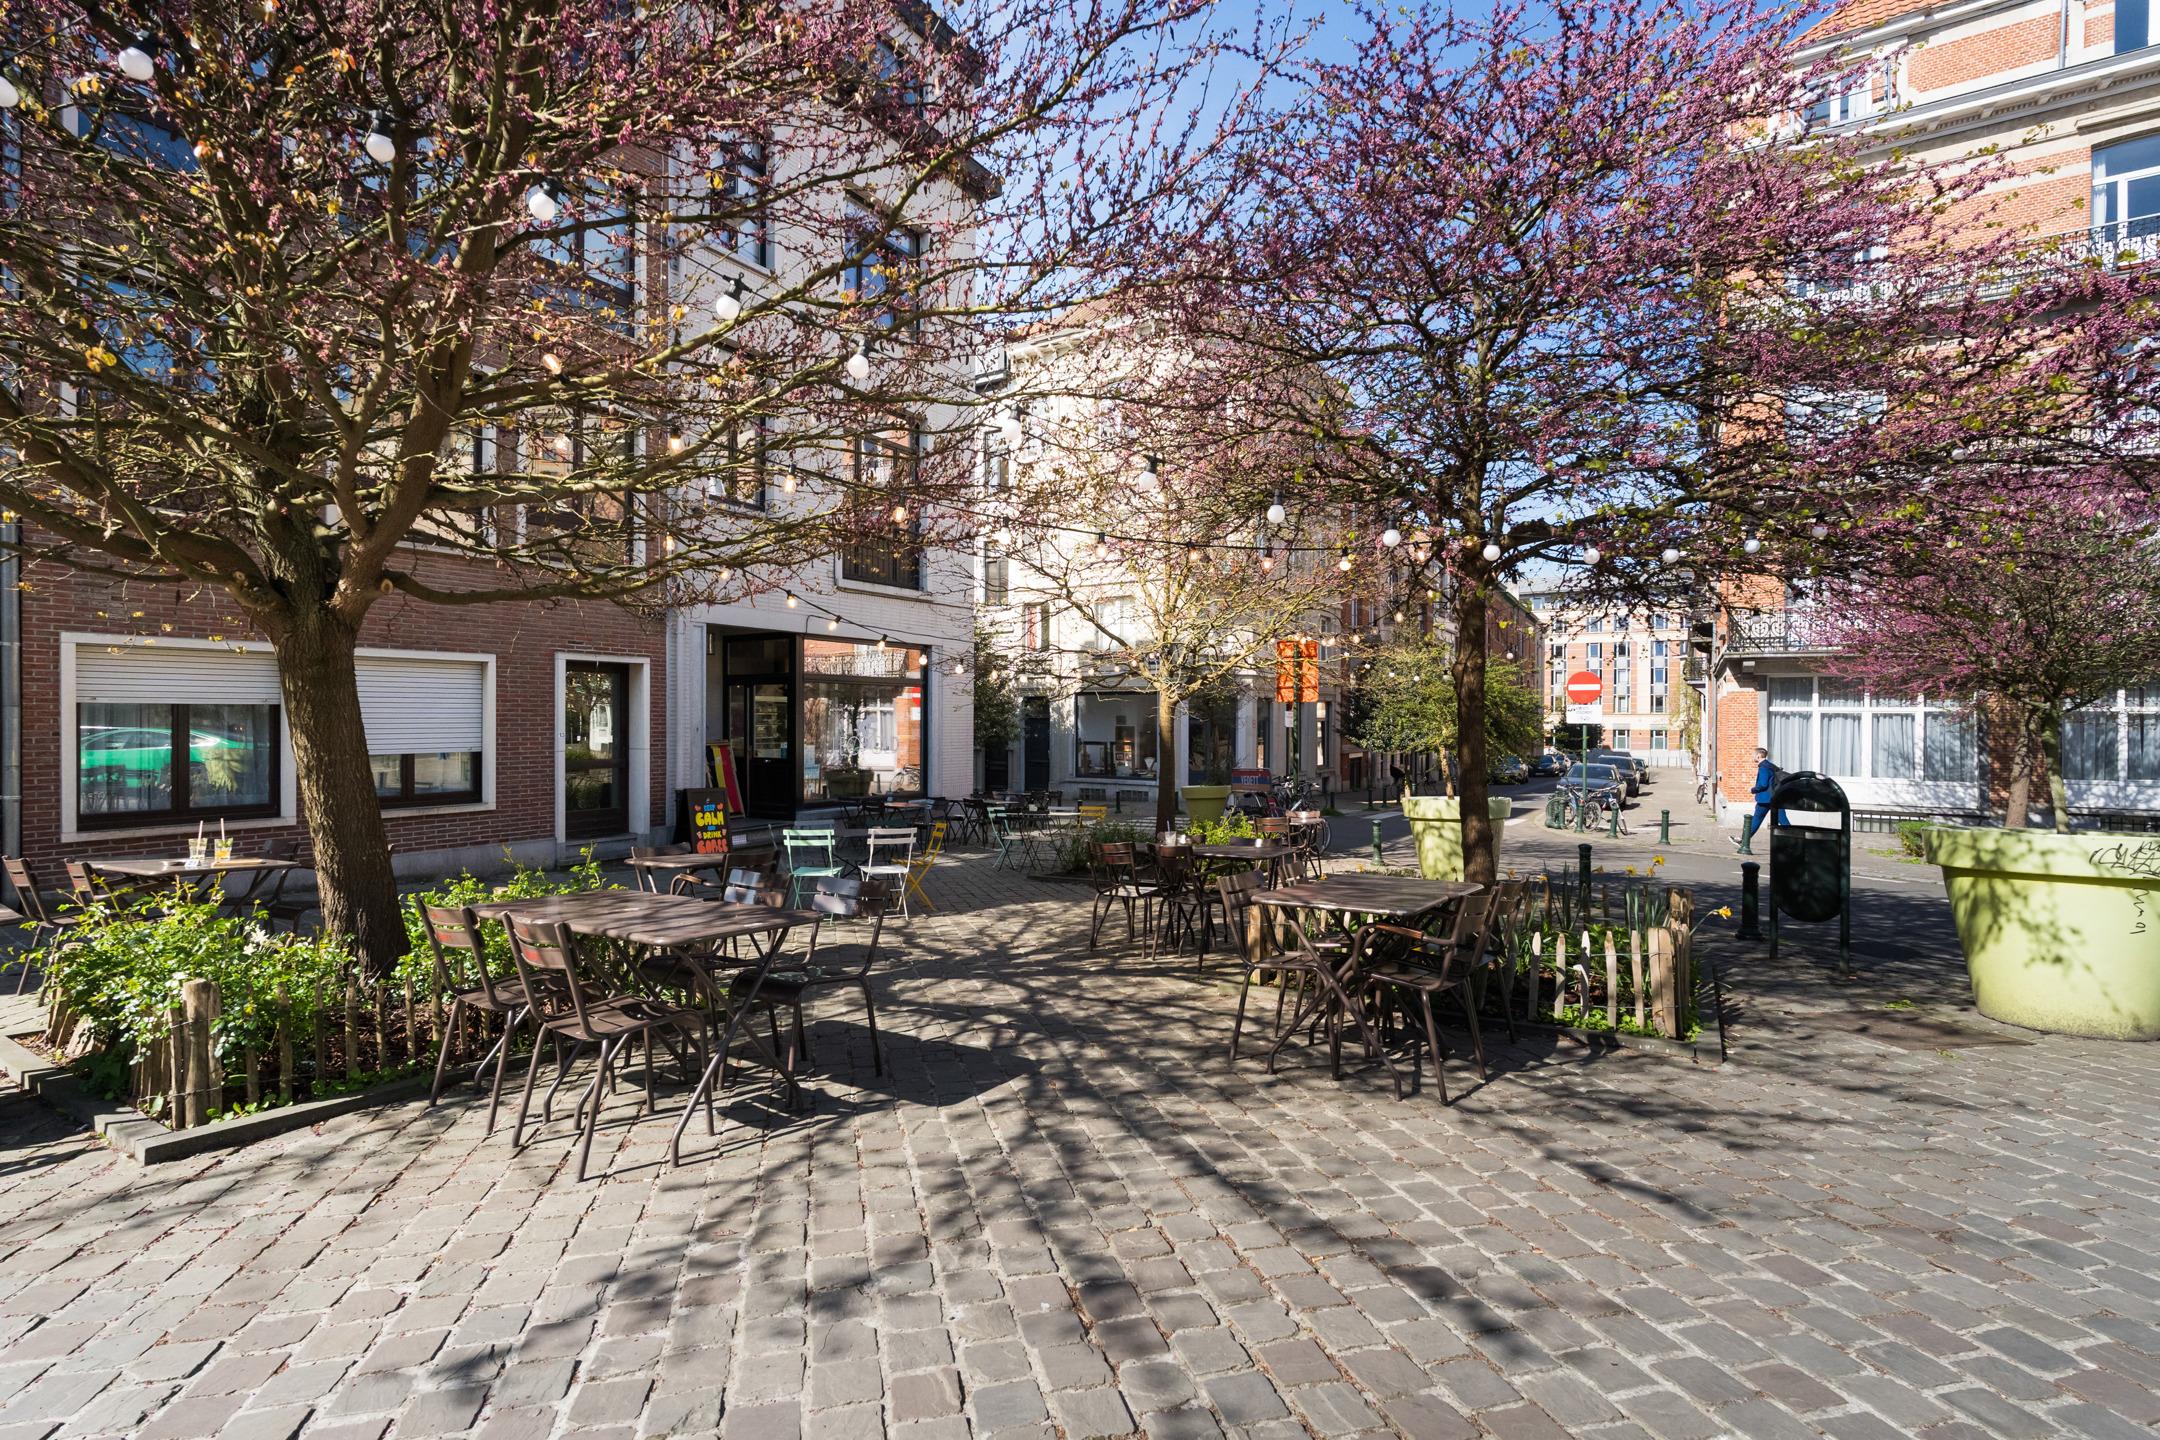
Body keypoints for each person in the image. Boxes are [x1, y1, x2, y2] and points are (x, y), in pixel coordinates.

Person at [1736, 747, 1785, 851]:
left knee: (1756, 819)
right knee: (1783, 820)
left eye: (1753, 755)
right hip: (1776, 797)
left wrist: (1753, 789)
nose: (1753, 757)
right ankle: (1796, 841)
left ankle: (1743, 841)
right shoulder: (1770, 765)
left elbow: (1763, 784)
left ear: (1758, 756)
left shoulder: (1763, 767)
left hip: (1765, 799)